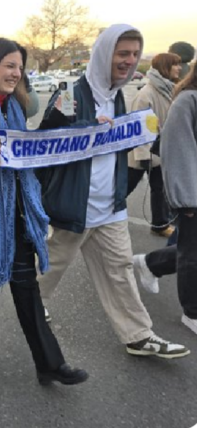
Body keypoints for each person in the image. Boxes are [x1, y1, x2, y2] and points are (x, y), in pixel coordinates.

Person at [37, 24, 190, 359]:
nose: (129, 61)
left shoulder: (118, 96)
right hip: (75, 205)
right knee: (51, 266)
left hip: (111, 207)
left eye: (135, 54)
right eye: (123, 54)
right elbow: (45, 141)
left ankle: (138, 335)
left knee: (119, 269)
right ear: (105, 53)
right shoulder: (71, 95)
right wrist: (85, 130)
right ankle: (30, 306)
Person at [0, 38, 88, 386]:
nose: (16, 73)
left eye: (19, 68)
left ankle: (49, 363)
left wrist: (56, 123)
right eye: (9, 65)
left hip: (17, 216)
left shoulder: (17, 112)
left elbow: (28, 157)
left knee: (27, 287)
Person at [159, 61, 197, 336]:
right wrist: (186, 199)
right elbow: (178, 150)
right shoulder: (187, 100)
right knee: (192, 254)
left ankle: (148, 265)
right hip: (194, 193)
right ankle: (192, 312)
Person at [127, 53, 182, 238]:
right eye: (175, 65)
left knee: (160, 189)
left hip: (161, 151)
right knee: (124, 187)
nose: (179, 68)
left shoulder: (169, 89)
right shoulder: (147, 94)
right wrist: (143, 156)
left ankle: (159, 224)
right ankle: (101, 214)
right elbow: (139, 127)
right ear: (165, 67)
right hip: (146, 153)